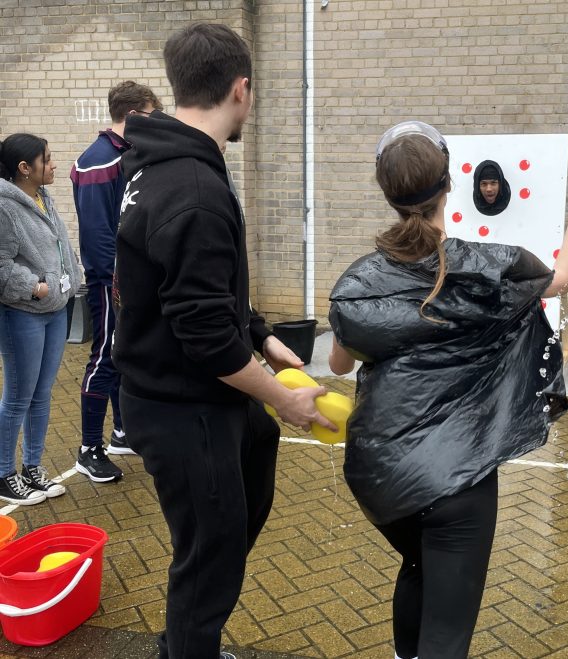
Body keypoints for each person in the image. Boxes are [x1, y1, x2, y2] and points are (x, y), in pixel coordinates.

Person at [327, 121, 568, 659]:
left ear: (388, 194)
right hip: (458, 480)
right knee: (448, 637)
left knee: (417, 567)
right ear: (449, 183)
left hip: (379, 477)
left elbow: (341, 364)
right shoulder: (491, 267)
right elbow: (564, 276)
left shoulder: (357, 282)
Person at [112, 23, 336, 659]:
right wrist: (286, 399)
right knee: (209, 562)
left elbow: (197, 287)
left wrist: (261, 336)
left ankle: (190, 633)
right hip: (185, 406)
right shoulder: (194, 189)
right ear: (241, 89)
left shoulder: (161, 167)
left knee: (232, 511)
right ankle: (189, 646)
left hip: (204, 398)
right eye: (253, 91)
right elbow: (205, 334)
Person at [71, 81, 163, 484]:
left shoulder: (126, 155)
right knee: (105, 355)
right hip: (108, 279)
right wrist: (115, 278)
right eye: (151, 115)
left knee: (123, 352)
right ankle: (89, 450)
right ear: (132, 116)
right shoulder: (98, 160)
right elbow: (97, 233)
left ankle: (123, 431)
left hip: (127, 276)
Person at [0, 134, 81, 505]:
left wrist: (71, 276)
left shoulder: (42, 197)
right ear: (24, 168)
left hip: (55, 311)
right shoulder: (5, 206)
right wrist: (36, 287)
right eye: (46, 160)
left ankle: (33, 469)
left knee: (42, 395)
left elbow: (59, 245)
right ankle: (4, 473)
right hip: (24, 314)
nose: (52, 165)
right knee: (18, 396)